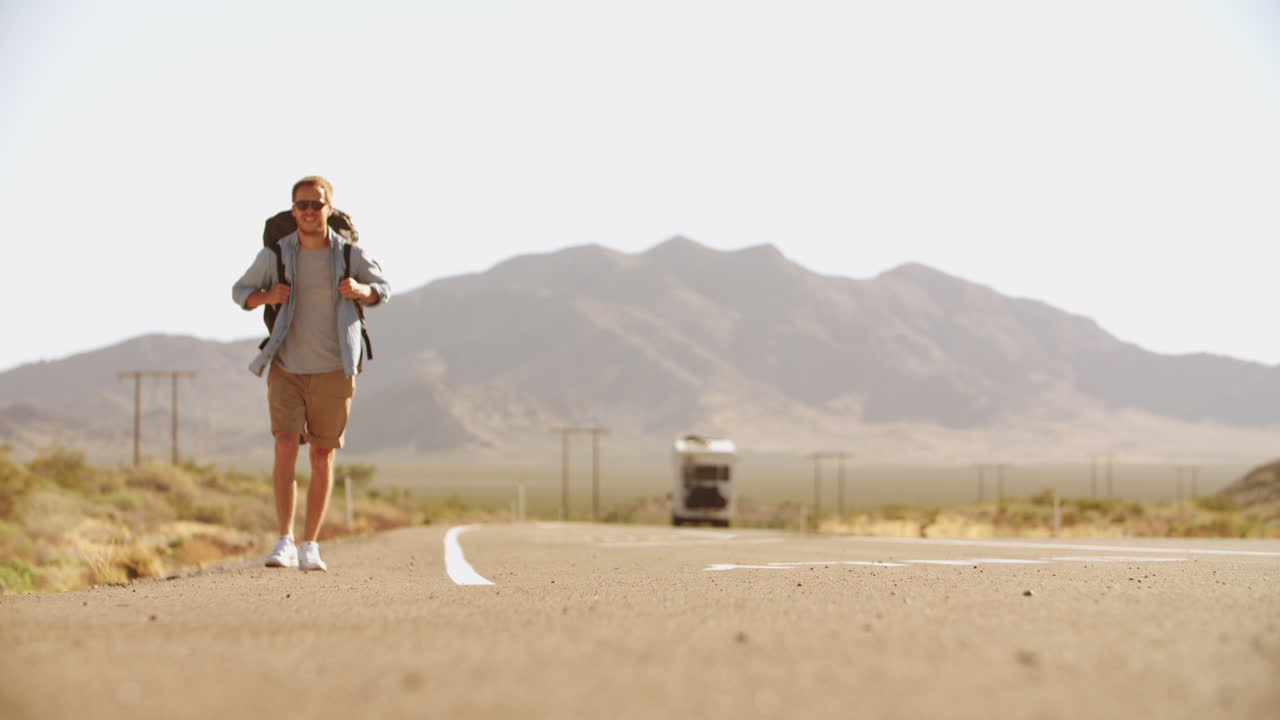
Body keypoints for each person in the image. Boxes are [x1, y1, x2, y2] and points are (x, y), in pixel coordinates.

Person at [232, 176, 391, 572]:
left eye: (315, 205)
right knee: (286, 444)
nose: (308, 212)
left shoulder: (349, 254)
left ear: (329, 210)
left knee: (321, 455)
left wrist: (360, 289)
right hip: (287, 366)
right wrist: (267, 296)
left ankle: (310, 544)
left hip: (334, 368)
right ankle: (284, 540)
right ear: (292, 210)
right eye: (301, 205)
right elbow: (240, 292)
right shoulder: (277, 255)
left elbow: (382, 288)